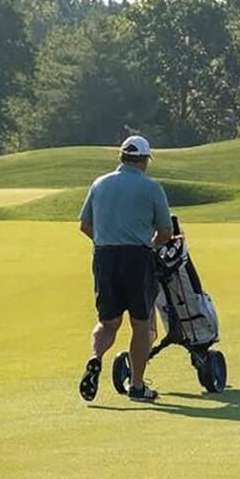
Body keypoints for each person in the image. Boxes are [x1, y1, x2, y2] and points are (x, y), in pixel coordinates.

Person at [77, 135, 173, 403]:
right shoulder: (151, 188)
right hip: (137, 258)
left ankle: (95, 358)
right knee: (141, 325)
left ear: (121, 157)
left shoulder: (100, 184)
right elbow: (165, 231)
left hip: (104, 257)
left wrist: (106, 240)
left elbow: (84, 225)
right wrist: (151, 246)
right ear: (143, 160)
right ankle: (138, 386)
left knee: (108, 323)